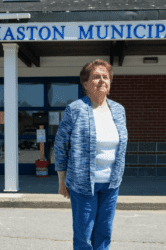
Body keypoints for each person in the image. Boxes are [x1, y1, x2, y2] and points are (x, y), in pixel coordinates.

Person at [54, 59, 128, 250]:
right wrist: (62, 180)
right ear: (85, 84)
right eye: (96, 77)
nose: (102, 80)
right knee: (83, 234)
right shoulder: (75, 109)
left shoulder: (119, 110)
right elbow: (60, 144)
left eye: (106, 77)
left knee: (104, 231)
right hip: (83, 184)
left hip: (111, 184)